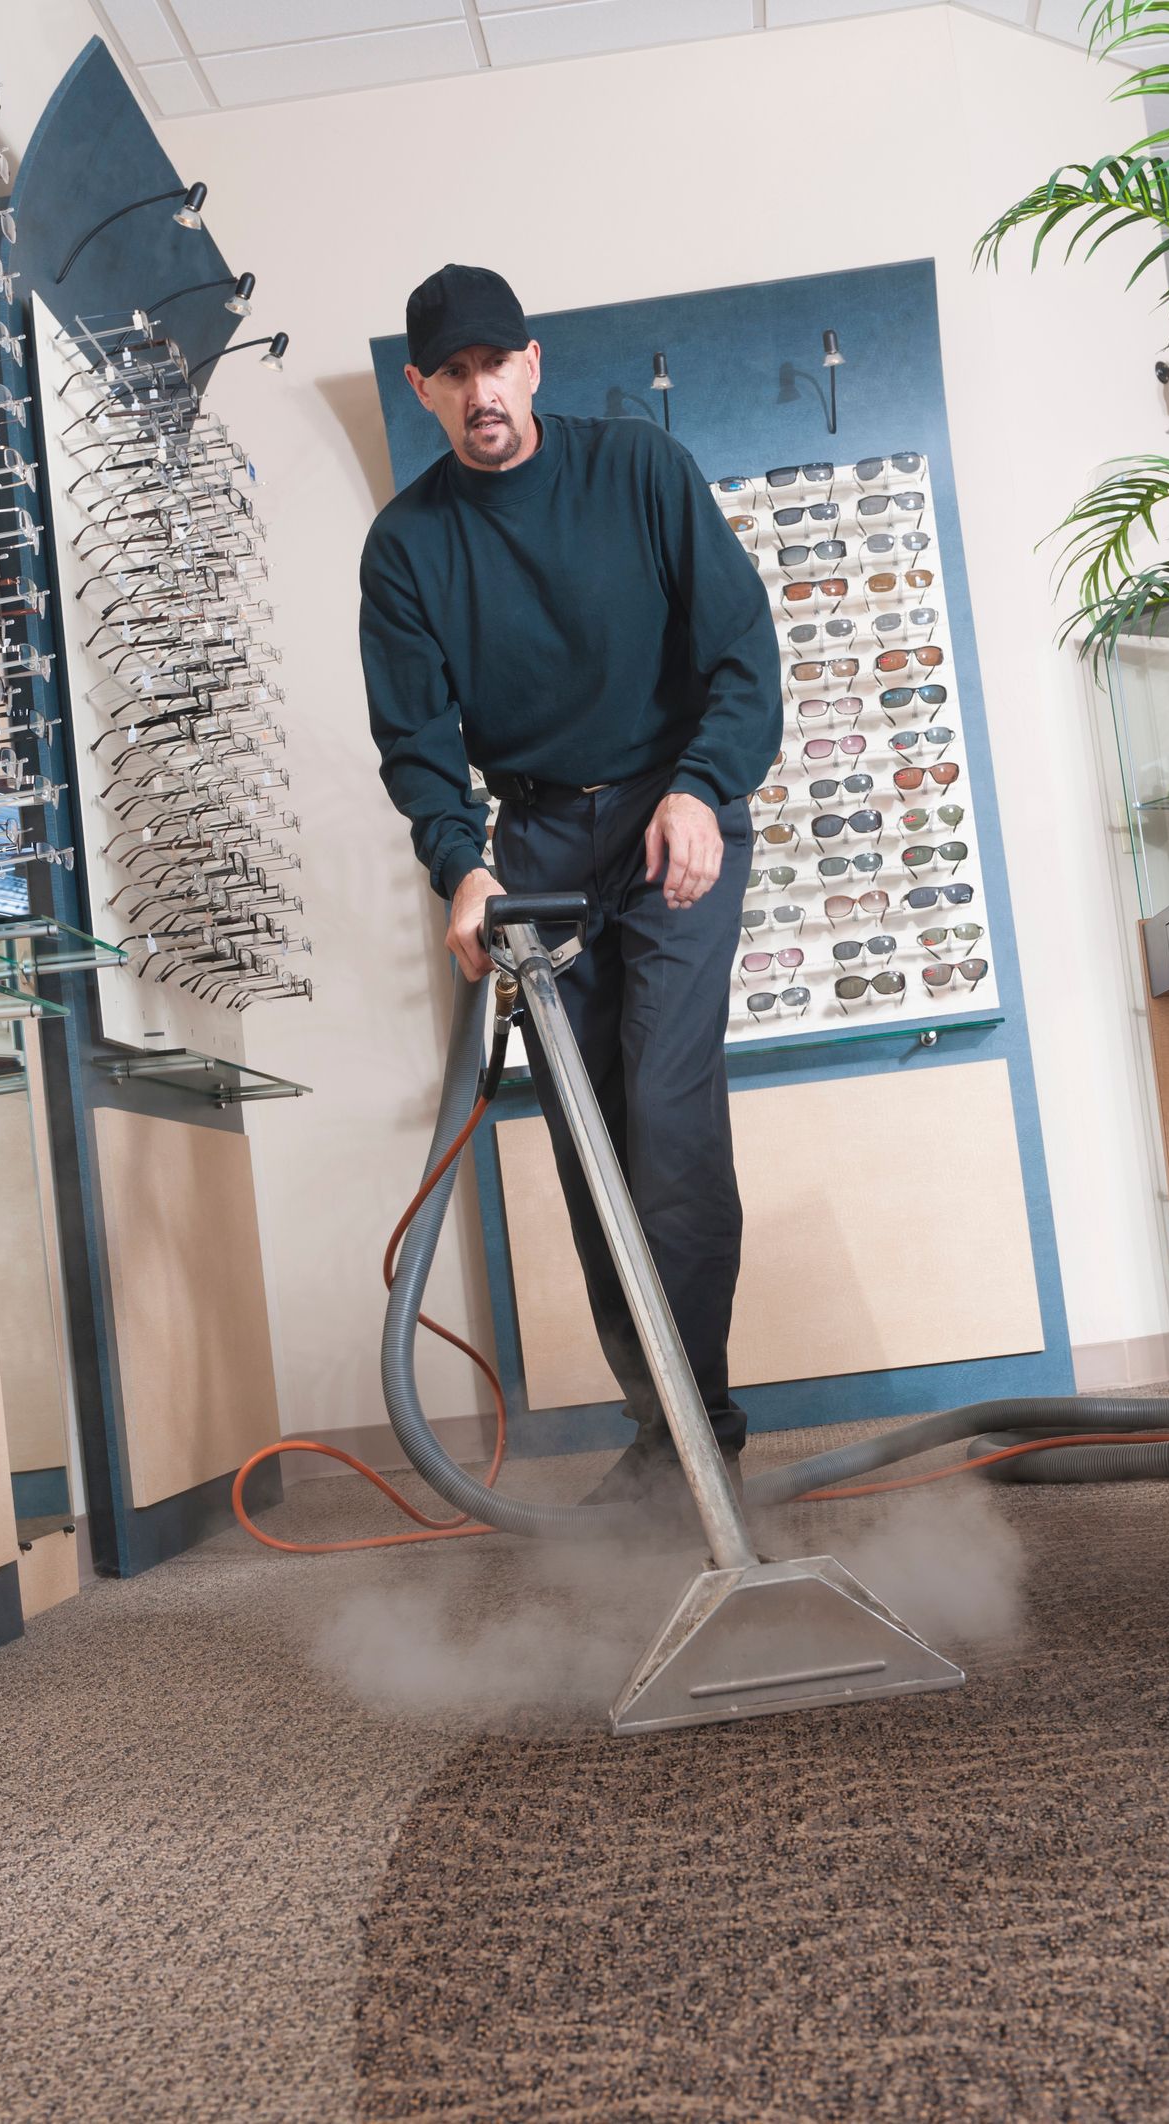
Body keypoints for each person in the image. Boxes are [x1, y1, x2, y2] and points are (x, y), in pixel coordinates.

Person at [359, 262, 781, 1505]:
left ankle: (701, 1427)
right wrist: (462, 864)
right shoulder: (407, 547)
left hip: (671, 820)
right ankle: (665, 1428)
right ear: (421, 389)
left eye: (497, 365)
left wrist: (703, 787)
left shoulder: (639, 469)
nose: (479, 392)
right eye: (452, 374)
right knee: (590, 1143)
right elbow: (417, 744)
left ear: (533, 363)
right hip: (534, 848)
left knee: (665, 1108)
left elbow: (740, 653)